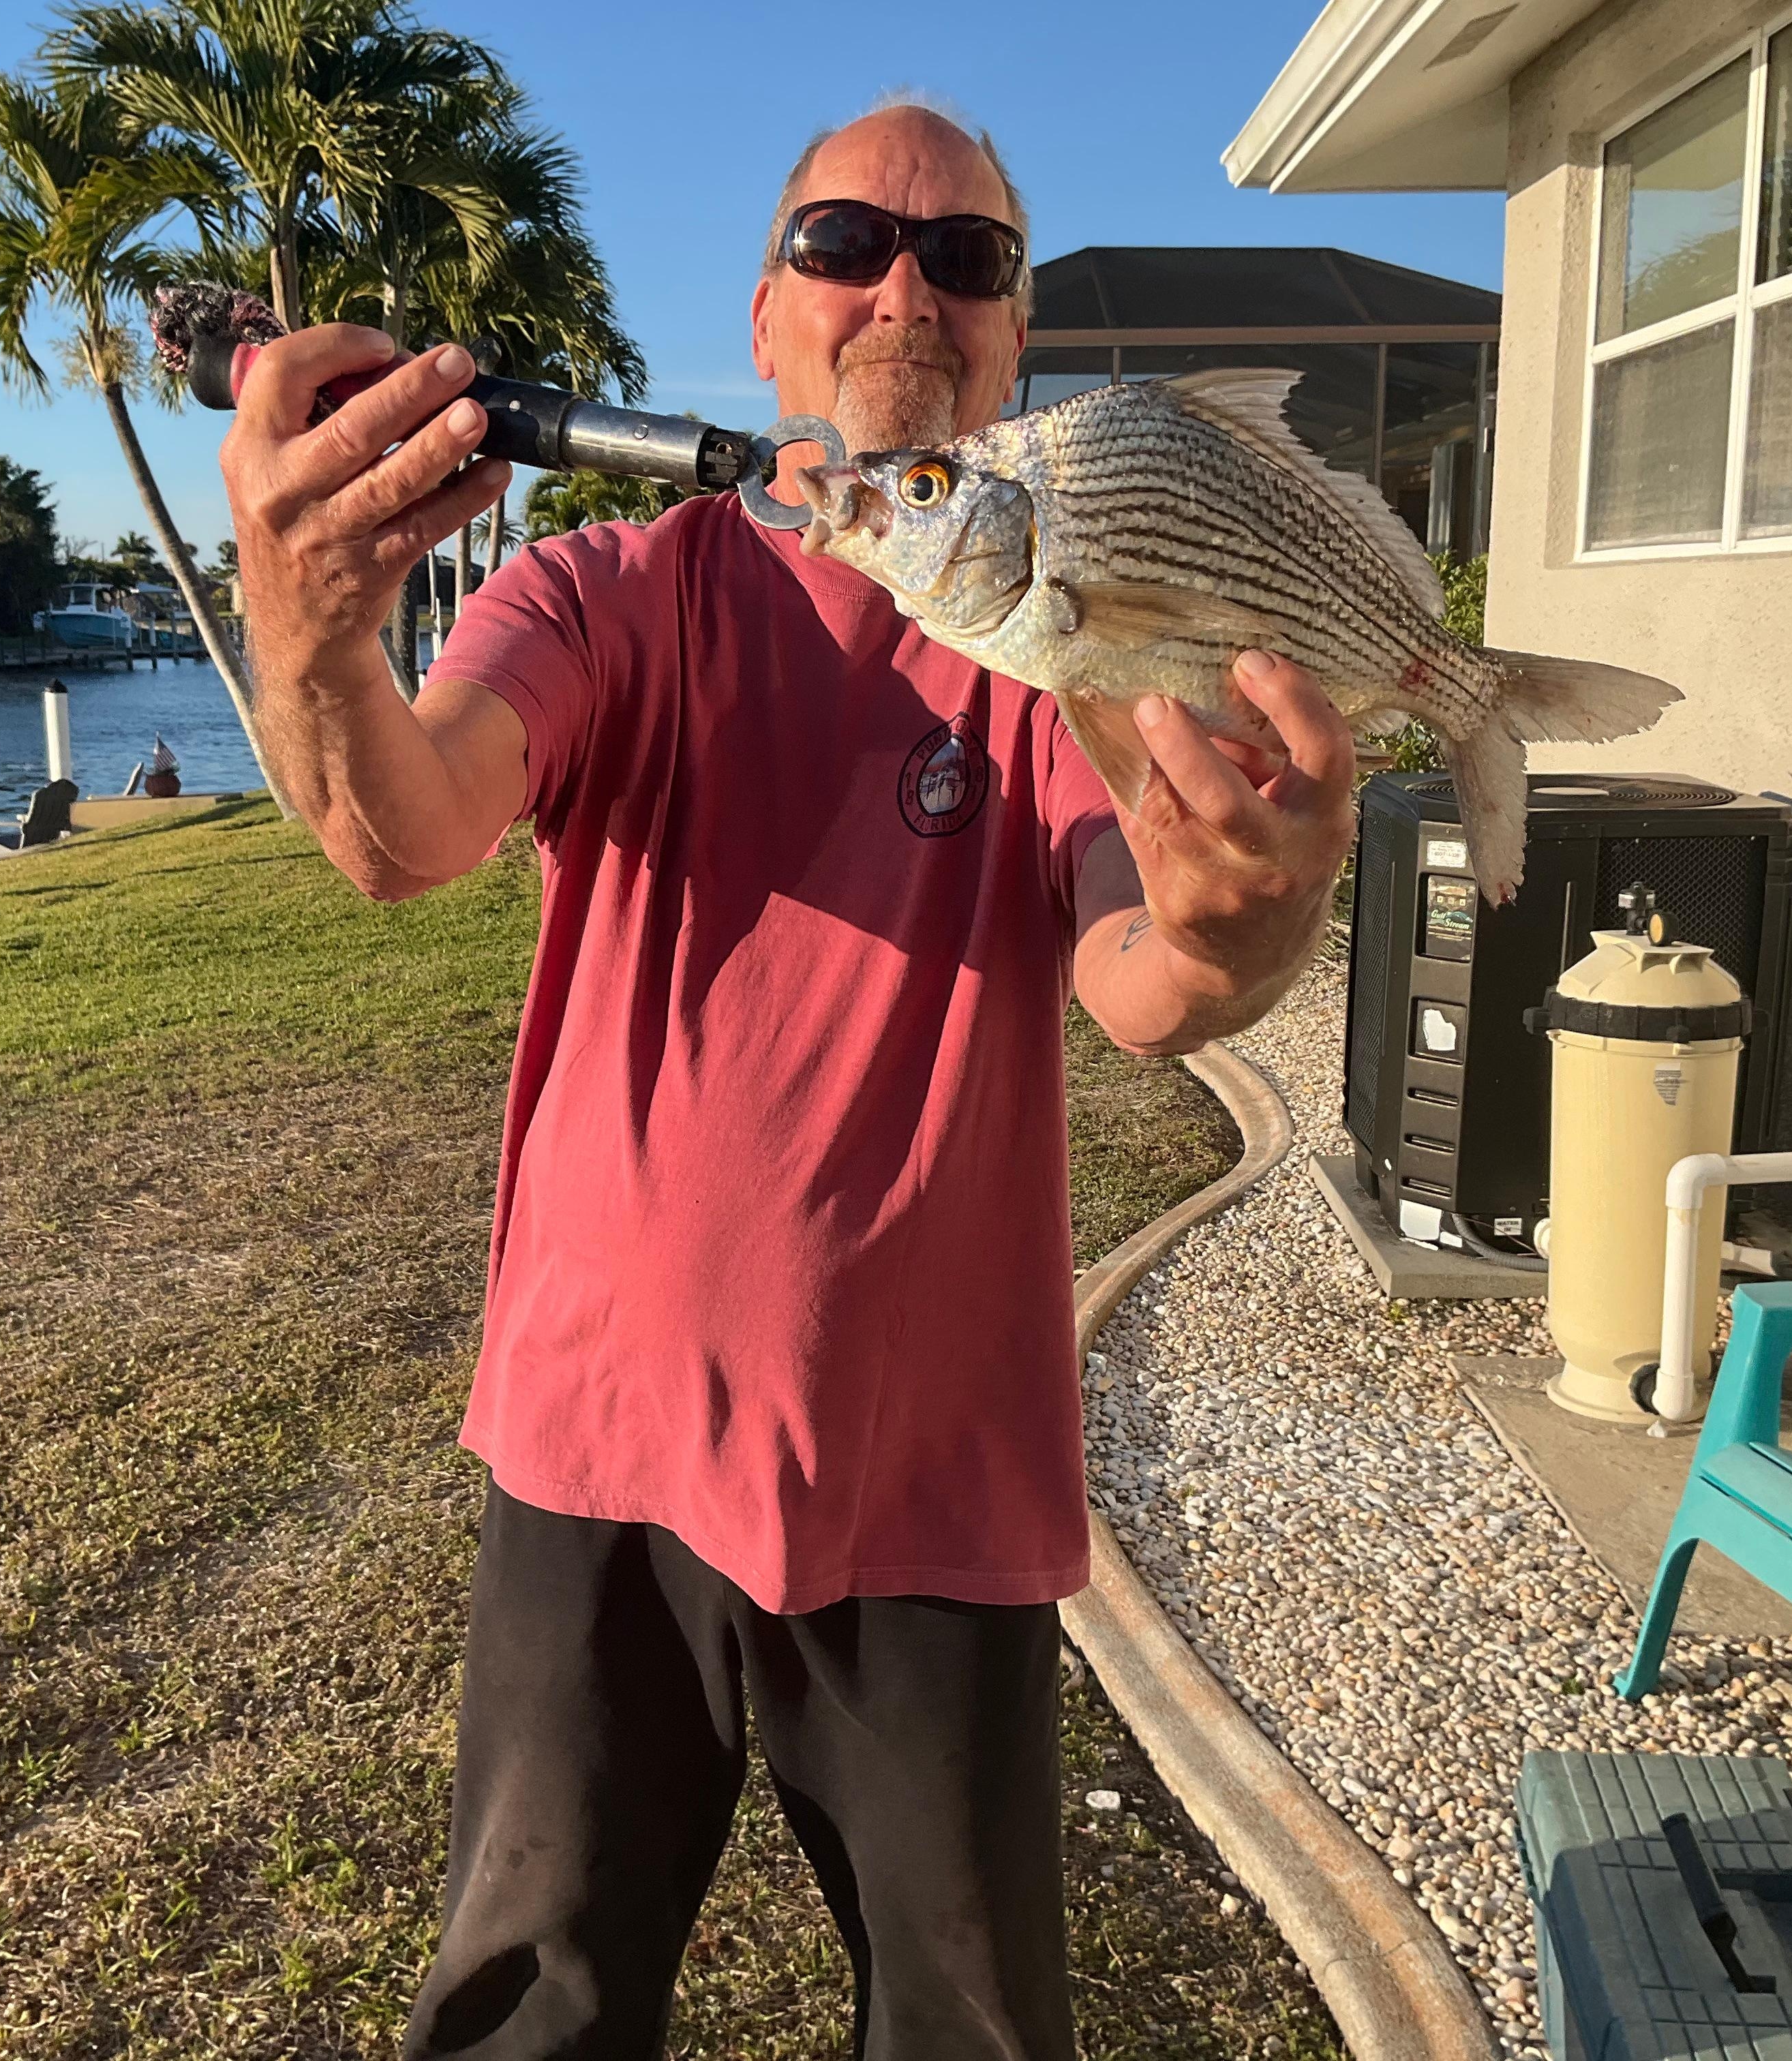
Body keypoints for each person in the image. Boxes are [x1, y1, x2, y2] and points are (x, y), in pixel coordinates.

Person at [224, 99, 1356, 2060]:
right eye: (848, 242)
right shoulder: (618, 592)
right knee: (529, 2009)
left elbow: (1146, 978)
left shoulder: (1061, 643)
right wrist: (309, 634)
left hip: (932, 1475)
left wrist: (1248, 920)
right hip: (600, 1441)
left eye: (970, 258)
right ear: (765, 316)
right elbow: (404, 827)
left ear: (1015, 345)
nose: (906, 285)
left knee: (967, 2026)